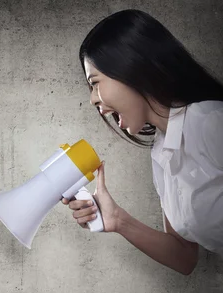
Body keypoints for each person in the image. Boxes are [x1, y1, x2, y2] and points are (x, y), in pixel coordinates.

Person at [62, 9, 223, 275]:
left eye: (95, 83)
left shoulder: (211, 122)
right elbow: (183, 256)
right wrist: (118, 220)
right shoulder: (162, 152)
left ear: (130, 68)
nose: (92, 99)